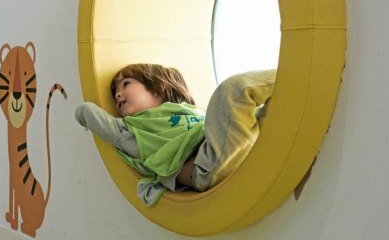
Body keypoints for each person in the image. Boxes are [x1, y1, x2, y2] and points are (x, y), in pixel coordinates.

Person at [75, 64, 275, 205]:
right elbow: (86, 111)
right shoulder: (131, 130)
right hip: (205, 165)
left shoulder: (188, 110)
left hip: (237, 151)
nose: (117, 94)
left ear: (157, 88)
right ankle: (290, 75)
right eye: (115, 91)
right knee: (232, 90)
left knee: (273, 111)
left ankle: (290, 86)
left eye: (125, 84)